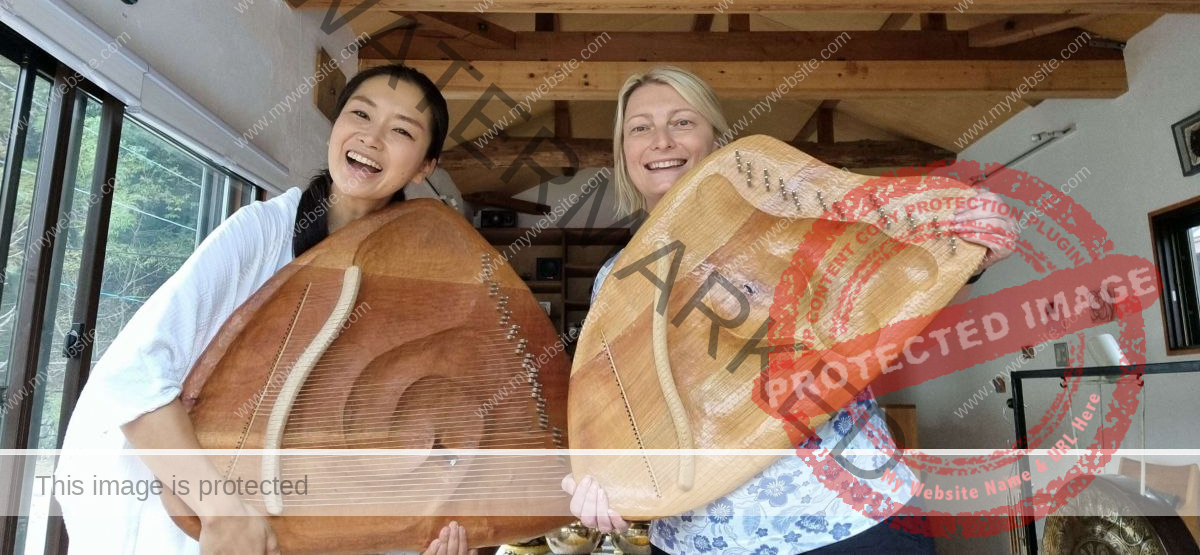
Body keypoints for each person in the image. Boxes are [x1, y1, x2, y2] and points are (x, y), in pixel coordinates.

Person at [562, 66, 1017, 554]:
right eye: (639, 127)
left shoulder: (792, 220)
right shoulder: (617, 279)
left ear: (717, 141)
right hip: (702, 541)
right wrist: (608, 485)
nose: (660, 140)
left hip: (850, 522)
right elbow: (623, 413)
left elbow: (886, 279)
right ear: (623, 152)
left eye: (682, 121)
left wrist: (968, 252)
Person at [56, 64, 474, 555]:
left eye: (401, 130)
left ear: (425, 165)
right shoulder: (261, 232)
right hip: (180, 527)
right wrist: (219, 508)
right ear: (336, 127)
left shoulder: (408, 281)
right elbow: (134, 375)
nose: (372, 137)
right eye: (360, 114)